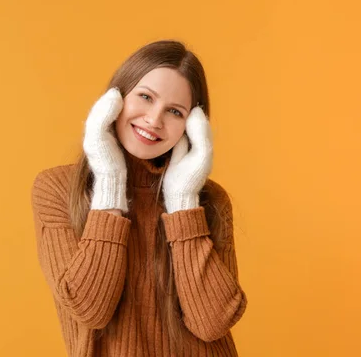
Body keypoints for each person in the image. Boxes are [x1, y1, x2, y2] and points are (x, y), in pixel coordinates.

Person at [31, 39, 247, 356]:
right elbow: (90, 310)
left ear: (192, 126)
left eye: (175, 111)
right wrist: (111, 182)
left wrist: (183, 202)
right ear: (114, 100)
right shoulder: (57, 189)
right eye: (145, 97)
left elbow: (212, 323)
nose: (154, 119)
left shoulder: (209, 199)